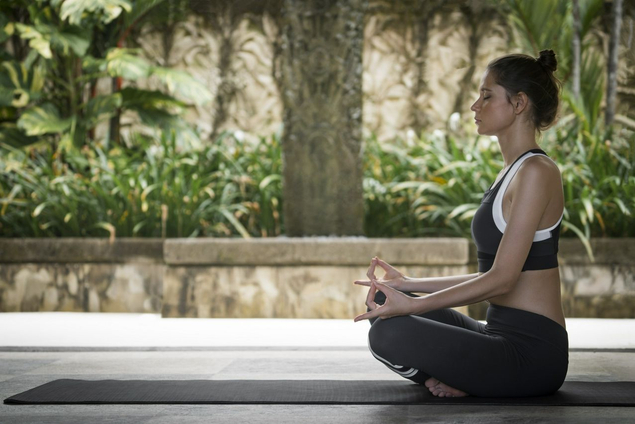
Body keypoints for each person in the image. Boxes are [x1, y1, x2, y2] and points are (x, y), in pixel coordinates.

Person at [353, 50, 568, 398]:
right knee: (382, 302)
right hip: (494, 333)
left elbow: (502, 280)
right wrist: (409, 285)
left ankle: (460, 382)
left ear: (519, 104)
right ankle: (463, 380)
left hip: (532, 354)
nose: (474, 106)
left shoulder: (537, 172)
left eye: (486, 96)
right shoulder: (512, 172)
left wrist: (415, 303)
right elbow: (494, 273)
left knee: (387, 334)